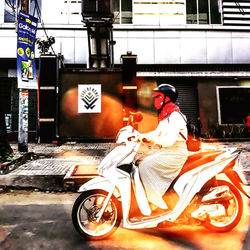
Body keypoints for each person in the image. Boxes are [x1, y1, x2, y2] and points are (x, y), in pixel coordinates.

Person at [138, 84, 189, 211]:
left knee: (145, 167)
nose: (155, 100)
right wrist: (138, 136)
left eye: (158, 97)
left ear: (167, 98)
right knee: (139, 161)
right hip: (167, 151)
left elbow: (169, 140)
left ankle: (157, 203)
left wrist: (152, 139)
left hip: (176, 153)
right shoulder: (166, 116)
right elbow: (157, 133)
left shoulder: (175, 116)